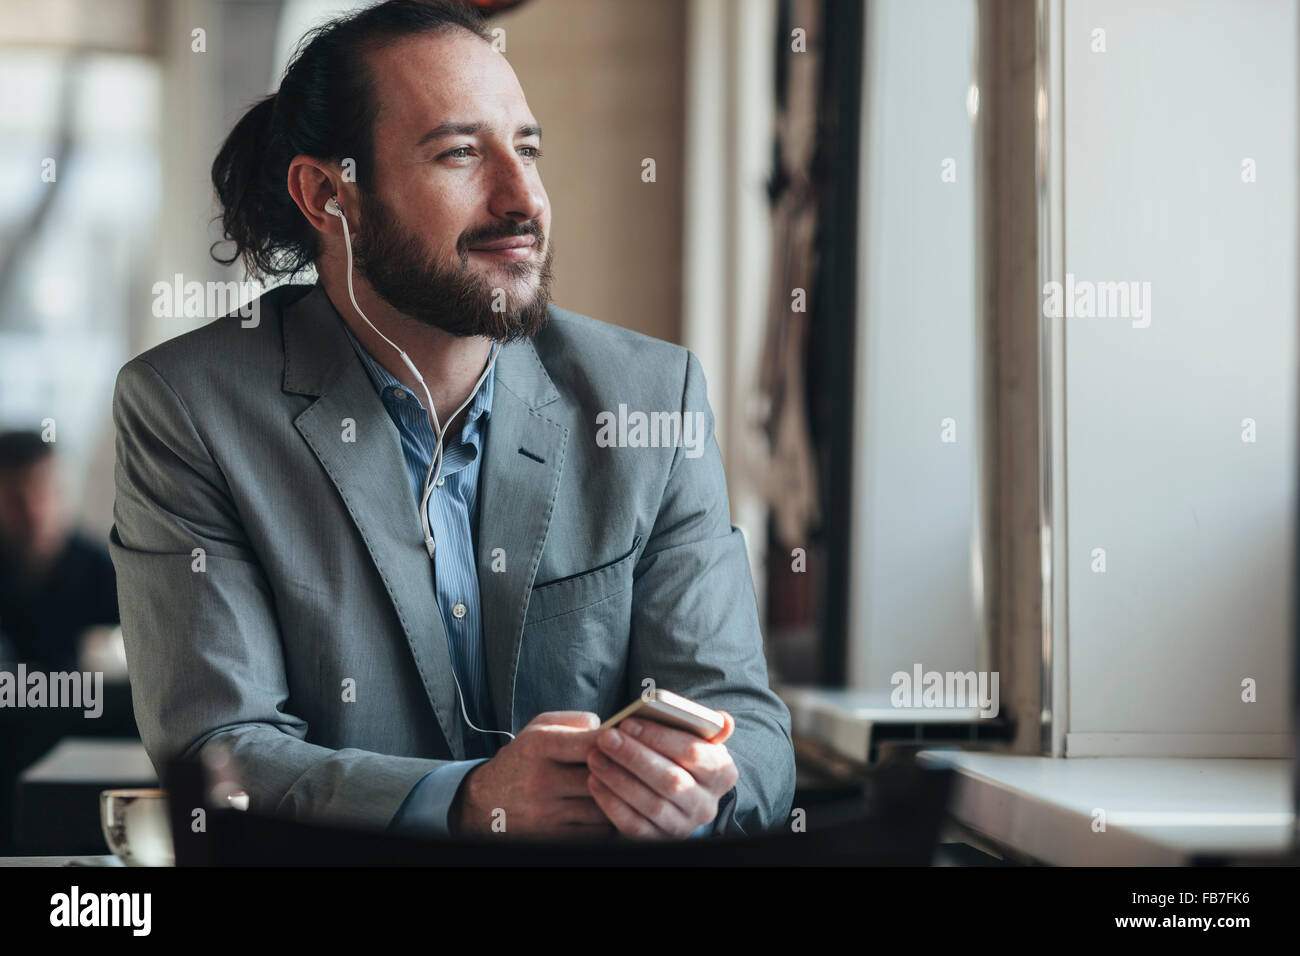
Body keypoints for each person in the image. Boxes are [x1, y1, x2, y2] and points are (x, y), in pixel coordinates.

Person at [110, 0, 794, 841]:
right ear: (328, 194)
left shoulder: (652, 398)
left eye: (529, 150)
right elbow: (218, 753)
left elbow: (750, 733)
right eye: (461, 153)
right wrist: (468, 803)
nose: (523, 200)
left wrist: (704, 790)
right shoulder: (190, 408)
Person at [0, 430, 118, 672]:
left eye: (41, 492)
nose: (32, 510)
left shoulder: (106, 572)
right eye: (15, 498)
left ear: (61, 491)